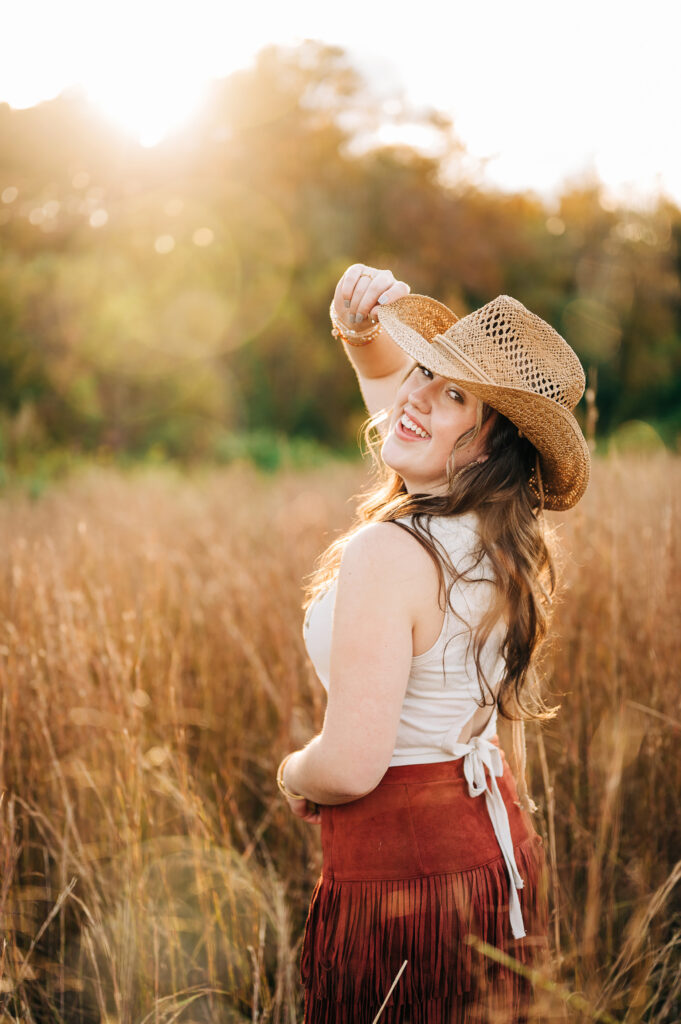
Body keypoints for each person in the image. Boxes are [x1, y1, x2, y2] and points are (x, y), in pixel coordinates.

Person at [276, 263, 590, 1023]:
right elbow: (408, 411)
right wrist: (361, 335)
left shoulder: (390, 551)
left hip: (401, 875)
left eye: (455, 393)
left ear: (489, 445)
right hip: (485, 852)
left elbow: (350, 767)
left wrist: (291, 772)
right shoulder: (495, 533)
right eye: (425, 371)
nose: (414, 397)